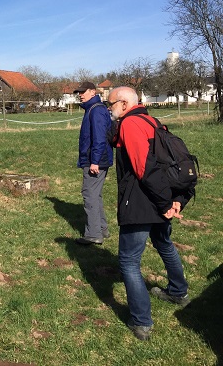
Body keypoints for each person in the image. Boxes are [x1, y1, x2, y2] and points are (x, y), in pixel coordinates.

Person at [107, 86, 191, 341]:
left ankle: (141, 321)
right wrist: (174, 199)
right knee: (164, 243)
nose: (109, 108)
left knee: (129, 261)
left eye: (111, 104)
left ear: (124, 104)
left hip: (143, 201)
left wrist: (165, 203)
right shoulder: (151, 121)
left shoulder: (131, 124)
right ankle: (178, 291)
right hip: (161, 198)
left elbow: (144, 167)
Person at [73, 81, 113, 245]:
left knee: (89, 195)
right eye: (79, 92)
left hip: (95, 160)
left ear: (93, 92)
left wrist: (94, 161)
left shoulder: (96, 110)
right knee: (95, 195)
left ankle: (94, 234)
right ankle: (102, 229)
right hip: (96, 159)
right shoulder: (93, 109)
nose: (80, 95)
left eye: (83, 92)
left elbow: (99, 138)